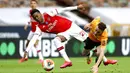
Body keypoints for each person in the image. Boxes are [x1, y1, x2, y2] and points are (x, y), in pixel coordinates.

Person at [20, 4, 88, 68]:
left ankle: (89, 55)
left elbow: (63, 9)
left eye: (37, 15)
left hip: (71, 27)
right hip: (63, 33)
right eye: (35, 18)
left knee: (90, 42)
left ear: (40, 13)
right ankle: (68, 61)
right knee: (56, 40)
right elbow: (33, 39)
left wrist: (76, 7)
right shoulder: (39, 27)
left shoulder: (48, 14)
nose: (37, 18)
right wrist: (26, 51)